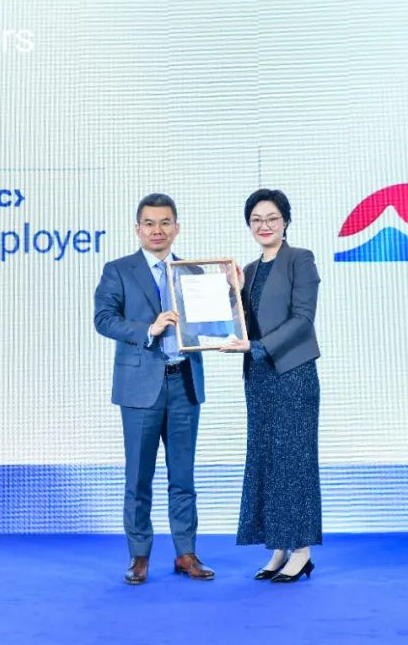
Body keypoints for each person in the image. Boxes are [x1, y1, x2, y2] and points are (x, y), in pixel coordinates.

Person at [94, 193, 215, 585]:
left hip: (184, 382)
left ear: (176, 228)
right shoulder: (118, 270)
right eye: (149, 223)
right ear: (138, 229)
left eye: (165, 223)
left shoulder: (193, 272)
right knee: (138, 477)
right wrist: (149, 328)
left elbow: (212, 323)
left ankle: (186, 553)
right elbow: (104, 319)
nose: (157, 230)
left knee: (183, 477)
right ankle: (139, 556)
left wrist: (230, 295)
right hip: (139, 387)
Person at [220, 188, 322, 583]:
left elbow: (303, 319)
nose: (264, 225)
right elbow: (244, 325)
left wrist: (259, 347)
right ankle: (279, 547)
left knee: (294, 461)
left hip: (293, 374)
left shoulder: (301, 259)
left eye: (272, 218)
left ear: (286, 221)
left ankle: (302, 550)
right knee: (267, 461)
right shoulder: (249, 269)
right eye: (256, 220)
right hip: (260, 377)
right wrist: (233, 292)